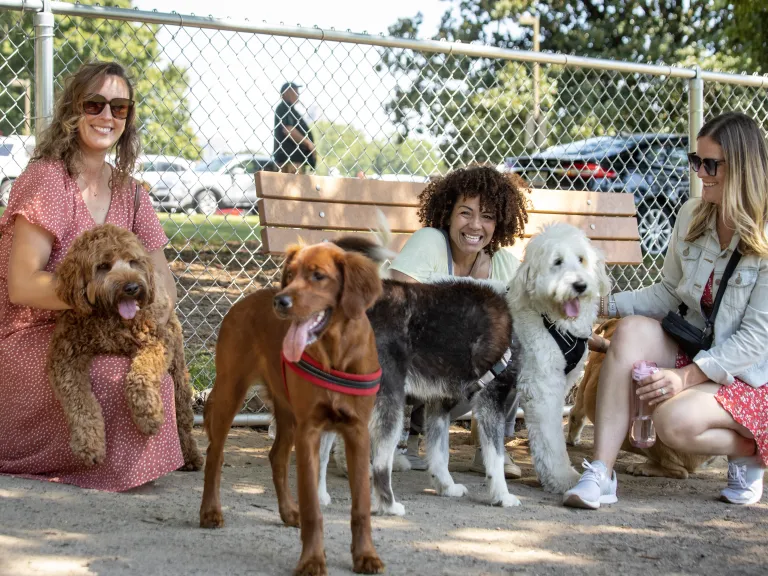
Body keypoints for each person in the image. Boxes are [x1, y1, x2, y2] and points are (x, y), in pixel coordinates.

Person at [564, 111, 768, 509]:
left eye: (711, 165)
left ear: (743, 168)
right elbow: (669, 294)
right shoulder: (693, 215)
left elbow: (756, 341)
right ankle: (601, 473)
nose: (700, 172)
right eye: (697, 161)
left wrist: (684, 378)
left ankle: (751, 448)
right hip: (699, 348)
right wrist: (599, 305)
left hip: (750, 374)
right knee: (632, 330)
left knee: (672, 422)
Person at [0, 61, 184, 491]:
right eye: (95, 104)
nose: (107, 116)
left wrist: (145, 318)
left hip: (110, 327)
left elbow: (163, 280)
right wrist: (98, 296)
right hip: (36, 332)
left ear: (128, 119)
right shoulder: (47, 180)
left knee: (153, 376)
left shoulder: (133, 194)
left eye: (119, 108)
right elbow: (22, 284)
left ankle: (127, 462)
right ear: (73, 109)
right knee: (108, 380)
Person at [388, 165, 529, 478]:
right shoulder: (429, 242)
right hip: (411, 366)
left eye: (488, 216)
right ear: (448, 213)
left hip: (462, 375)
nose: (475, 225)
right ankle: (399, 438)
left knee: (519, 345)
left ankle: (492, 448)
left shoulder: (503, 263)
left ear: (499, 222)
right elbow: (395, 303)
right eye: (465, 213)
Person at [273, 81, 316, 174]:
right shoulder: (284, 107)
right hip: (290, 161)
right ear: (287, 92)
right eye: (295, 90)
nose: (298, 93)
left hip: (295, 161)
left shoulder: (291, 109)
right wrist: (307, 142)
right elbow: (288, 129)